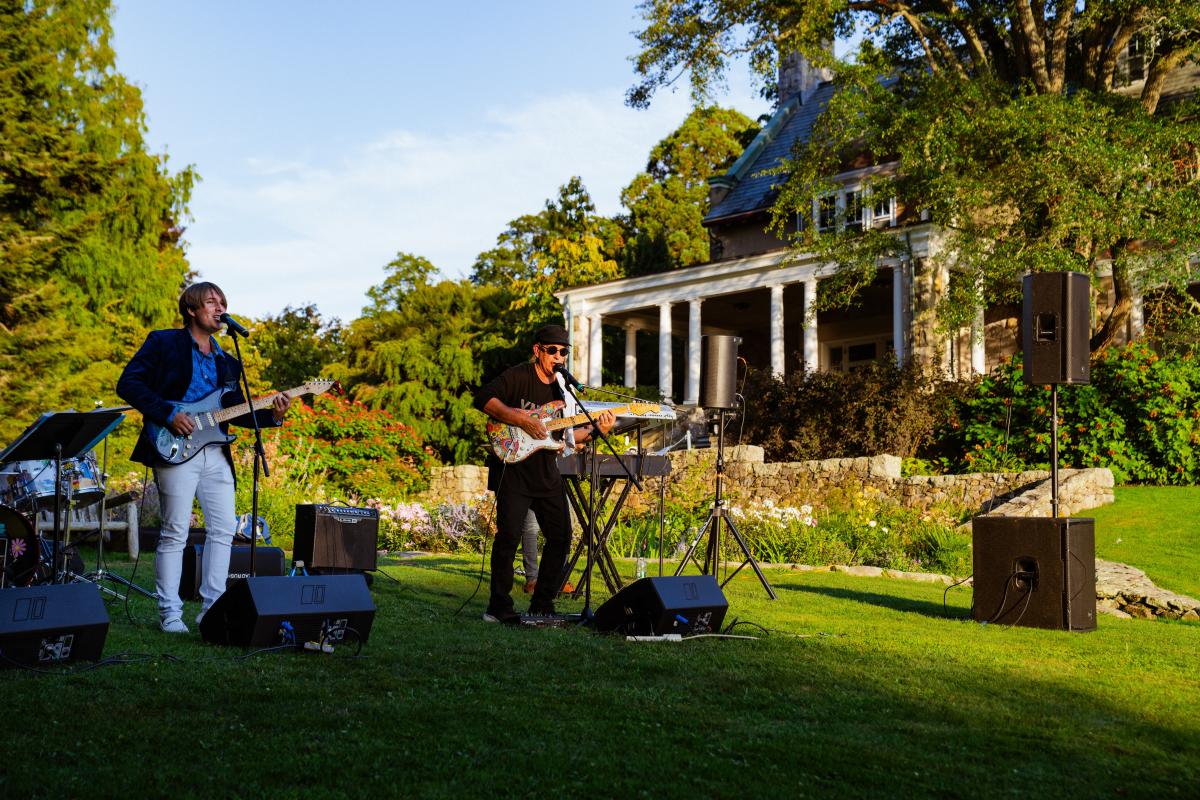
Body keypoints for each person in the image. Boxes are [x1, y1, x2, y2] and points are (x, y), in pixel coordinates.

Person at [117, 282, 291, 633]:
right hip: (174, 445)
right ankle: (170, 612)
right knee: (175, 530)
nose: (220, 307)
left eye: (223, 302)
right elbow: (129, 384)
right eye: (212, 302)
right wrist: (167, 413)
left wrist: (273, 415)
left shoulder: (228, 362)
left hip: (215, 451)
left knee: (225, 529)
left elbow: (234, 412)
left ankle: (212, 609)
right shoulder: (163, 342)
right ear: (192, 310)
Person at [473, 323, 612, 622]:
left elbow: (568, 437)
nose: (558, 356)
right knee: (509, 537)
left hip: (546, 473)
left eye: (563, 351)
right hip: (514, 470)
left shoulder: (561, 390)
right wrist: (520, 419)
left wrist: (598, 429)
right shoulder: (518, 376)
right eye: (552, 351)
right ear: (538, 351)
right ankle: (498, 607)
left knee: (561, 536)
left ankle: (542, 603)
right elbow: (483, 397)